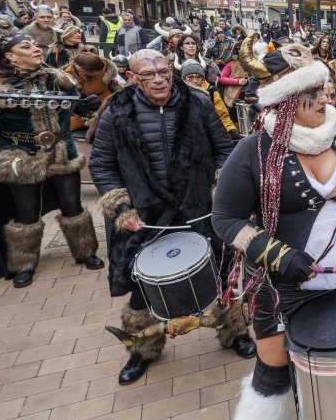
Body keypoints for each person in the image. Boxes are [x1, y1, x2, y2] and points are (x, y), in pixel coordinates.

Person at [211, 43, 336, 420]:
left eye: (324, 89)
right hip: (283, 281)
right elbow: (226, 219)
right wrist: (279, 255)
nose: (325, 98)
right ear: (285, 102)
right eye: (313, 93)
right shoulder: (252, 151)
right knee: (274, 366)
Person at [91, 49, 250, 385]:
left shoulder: (198, 102)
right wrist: (122, 209)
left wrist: (219, 189)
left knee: (223, 272)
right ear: (133, 78)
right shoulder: (116, 112)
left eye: (164, 70)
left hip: (198, 206)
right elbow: (102, 166)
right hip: (146, 213)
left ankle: (235, 331)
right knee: (142, 285)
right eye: (148, 75)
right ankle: (143, 349)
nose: (159, 78)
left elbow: (224, 148)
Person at [0, 35, 104, 287]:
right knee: (26, 211)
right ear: (10, 56)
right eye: (26, 46)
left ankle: (85, 251)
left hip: (60, 149)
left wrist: (86, 106)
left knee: (72, 204)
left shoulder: (59, 78)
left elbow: (75, 109)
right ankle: (24, 264)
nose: (35, 48)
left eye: (34, 44)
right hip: (19, 154)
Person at [180, 60, 239, 138]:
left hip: (210, 135)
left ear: (203, 78)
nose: (195, 80)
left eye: (198, 77)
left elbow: (222, 115)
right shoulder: (178, 93)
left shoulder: (211, 91)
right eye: (190, 77)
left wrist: (230, 130)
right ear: (184, 78)